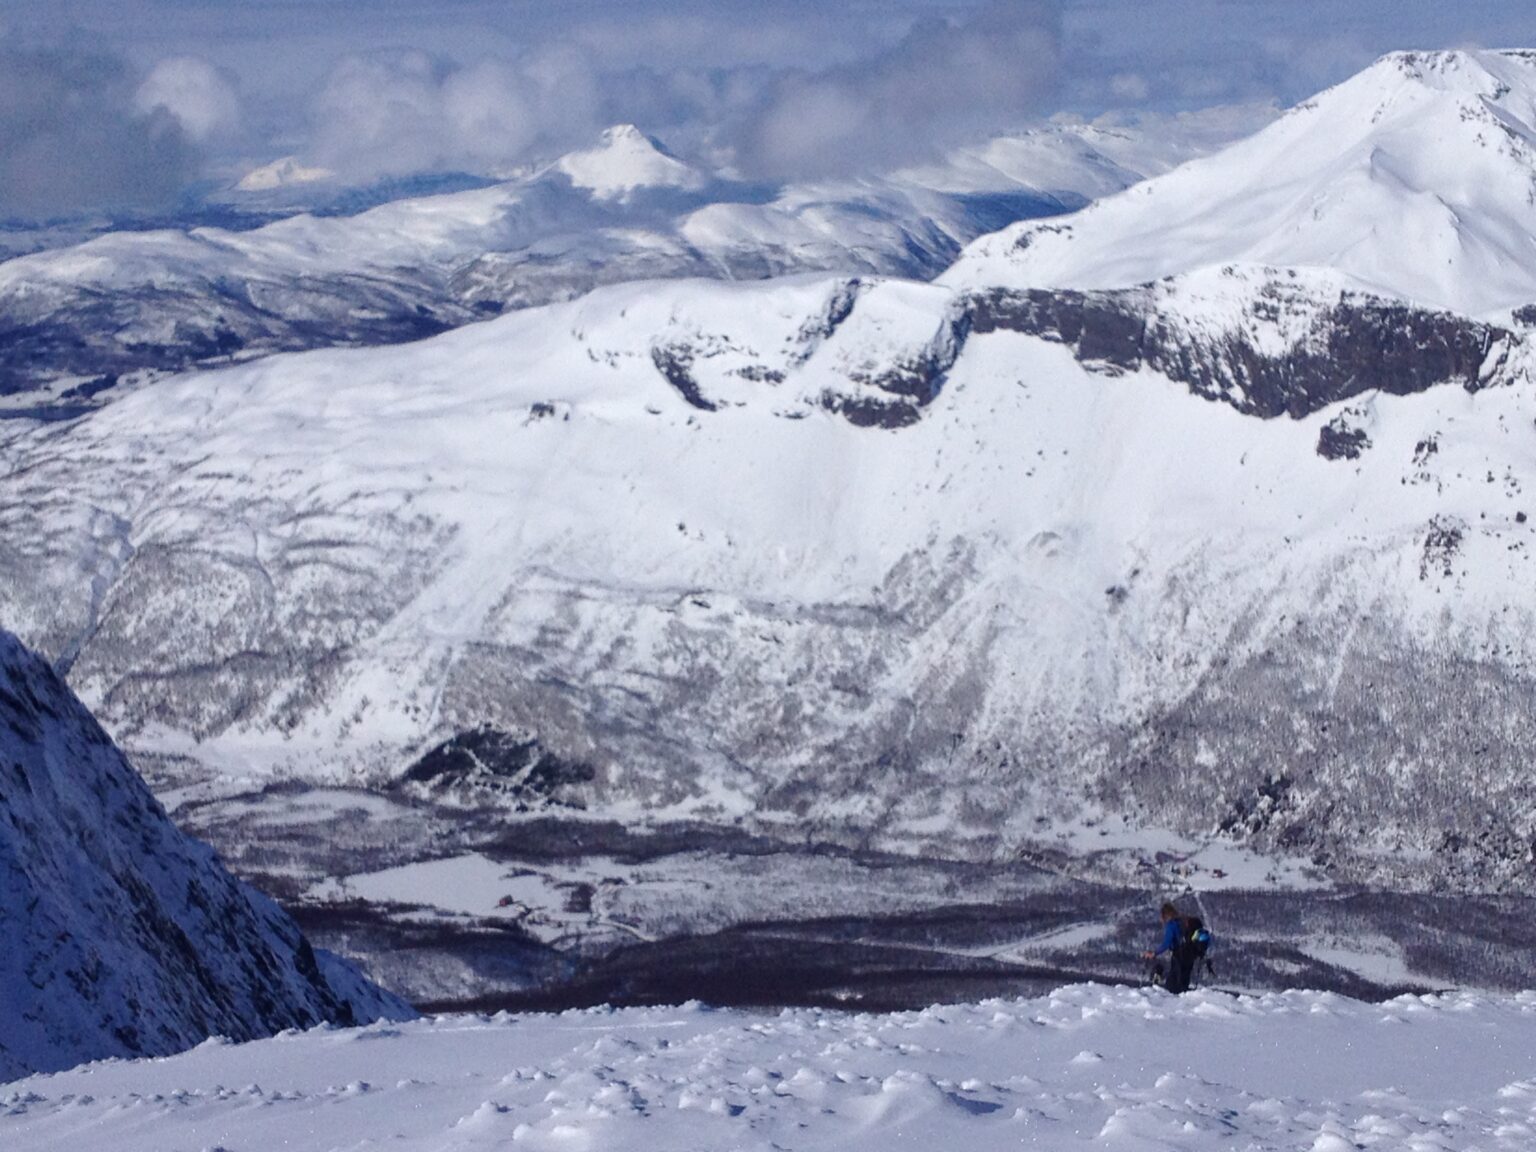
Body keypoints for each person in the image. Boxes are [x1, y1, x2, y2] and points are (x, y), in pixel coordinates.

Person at [1142, 901, 1196, 993]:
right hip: (1190, 955)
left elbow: (1167, 943)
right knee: (1184, 981)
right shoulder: (1182, 922)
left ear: (1164, 915)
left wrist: (1154, 953)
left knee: (1173, 984)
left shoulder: (1171, 925)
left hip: (1179, 955)